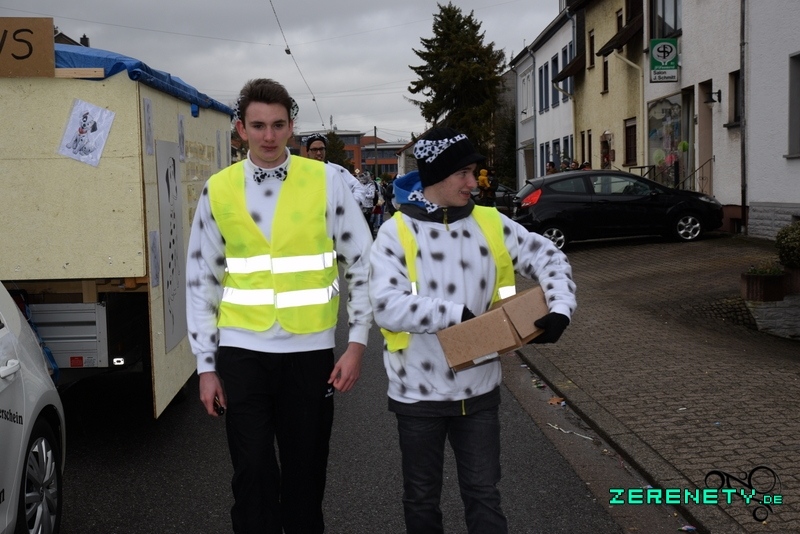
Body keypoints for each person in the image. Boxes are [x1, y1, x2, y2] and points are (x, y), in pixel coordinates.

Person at [185, 78, 373, 534]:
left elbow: (362, 263)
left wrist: (357, 344)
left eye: (277, 125)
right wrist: (205, 366)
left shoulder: (327, 181)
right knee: (252, 472)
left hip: (308, 354)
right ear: (240, 129)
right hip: (242, 354)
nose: (268, 136)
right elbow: (201, 279)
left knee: (305, 475)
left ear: (291, 126)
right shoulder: (218, 188)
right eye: (258, 126)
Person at [368, 127, 577, 533]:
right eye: (463, 173)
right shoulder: (396, 231)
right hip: (418, 395)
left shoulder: (490, 222)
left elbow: (550, 258)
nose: (473, 182)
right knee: (421, 498)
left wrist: (560, 308)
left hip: (479, 391)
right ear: (435, 176)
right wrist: (455, 315)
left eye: (473, 172)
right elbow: (386, 305)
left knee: (484, 495)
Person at [304, 132, 366, 206]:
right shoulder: (301, 172)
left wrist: (349, 205)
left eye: (321, 149)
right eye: (314, 149)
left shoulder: (337, 170)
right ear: (308, 152)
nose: (318, 153)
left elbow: (358, 188)